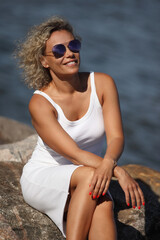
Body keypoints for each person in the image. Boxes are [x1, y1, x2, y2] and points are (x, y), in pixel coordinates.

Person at [16, 16, 145, 240]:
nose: (69, 53)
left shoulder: (102, 83)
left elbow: (116, 138)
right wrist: (118, 172)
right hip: (46, 176)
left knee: (103, 202)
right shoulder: (40, 103)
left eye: (73, 45)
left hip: (93, 174)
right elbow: (74, 154)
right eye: (58, 50)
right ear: (44, 61)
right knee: (89, 178)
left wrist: (108, 163)